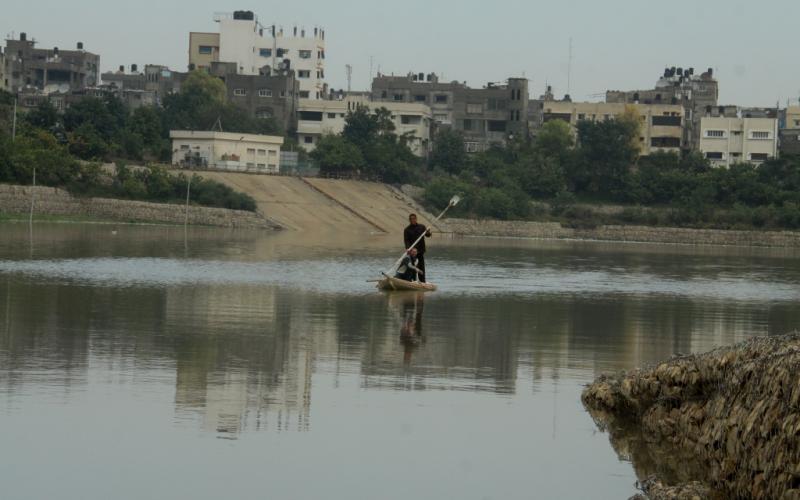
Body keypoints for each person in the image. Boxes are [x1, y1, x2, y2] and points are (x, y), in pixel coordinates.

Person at [403, 213, 432, 282]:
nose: (412, 220)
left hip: (420, 251)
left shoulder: (422, 227)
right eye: (411, 219)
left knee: (421, 267)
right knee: (412, 267)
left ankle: (422, 281)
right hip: (412, 252)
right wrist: (408, 248)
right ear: (409, 220)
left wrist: (428, 232)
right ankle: (412, 281)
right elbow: (406, 240)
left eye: (414, 219)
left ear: (416, 219)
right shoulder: (407, 230)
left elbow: (427, 235)